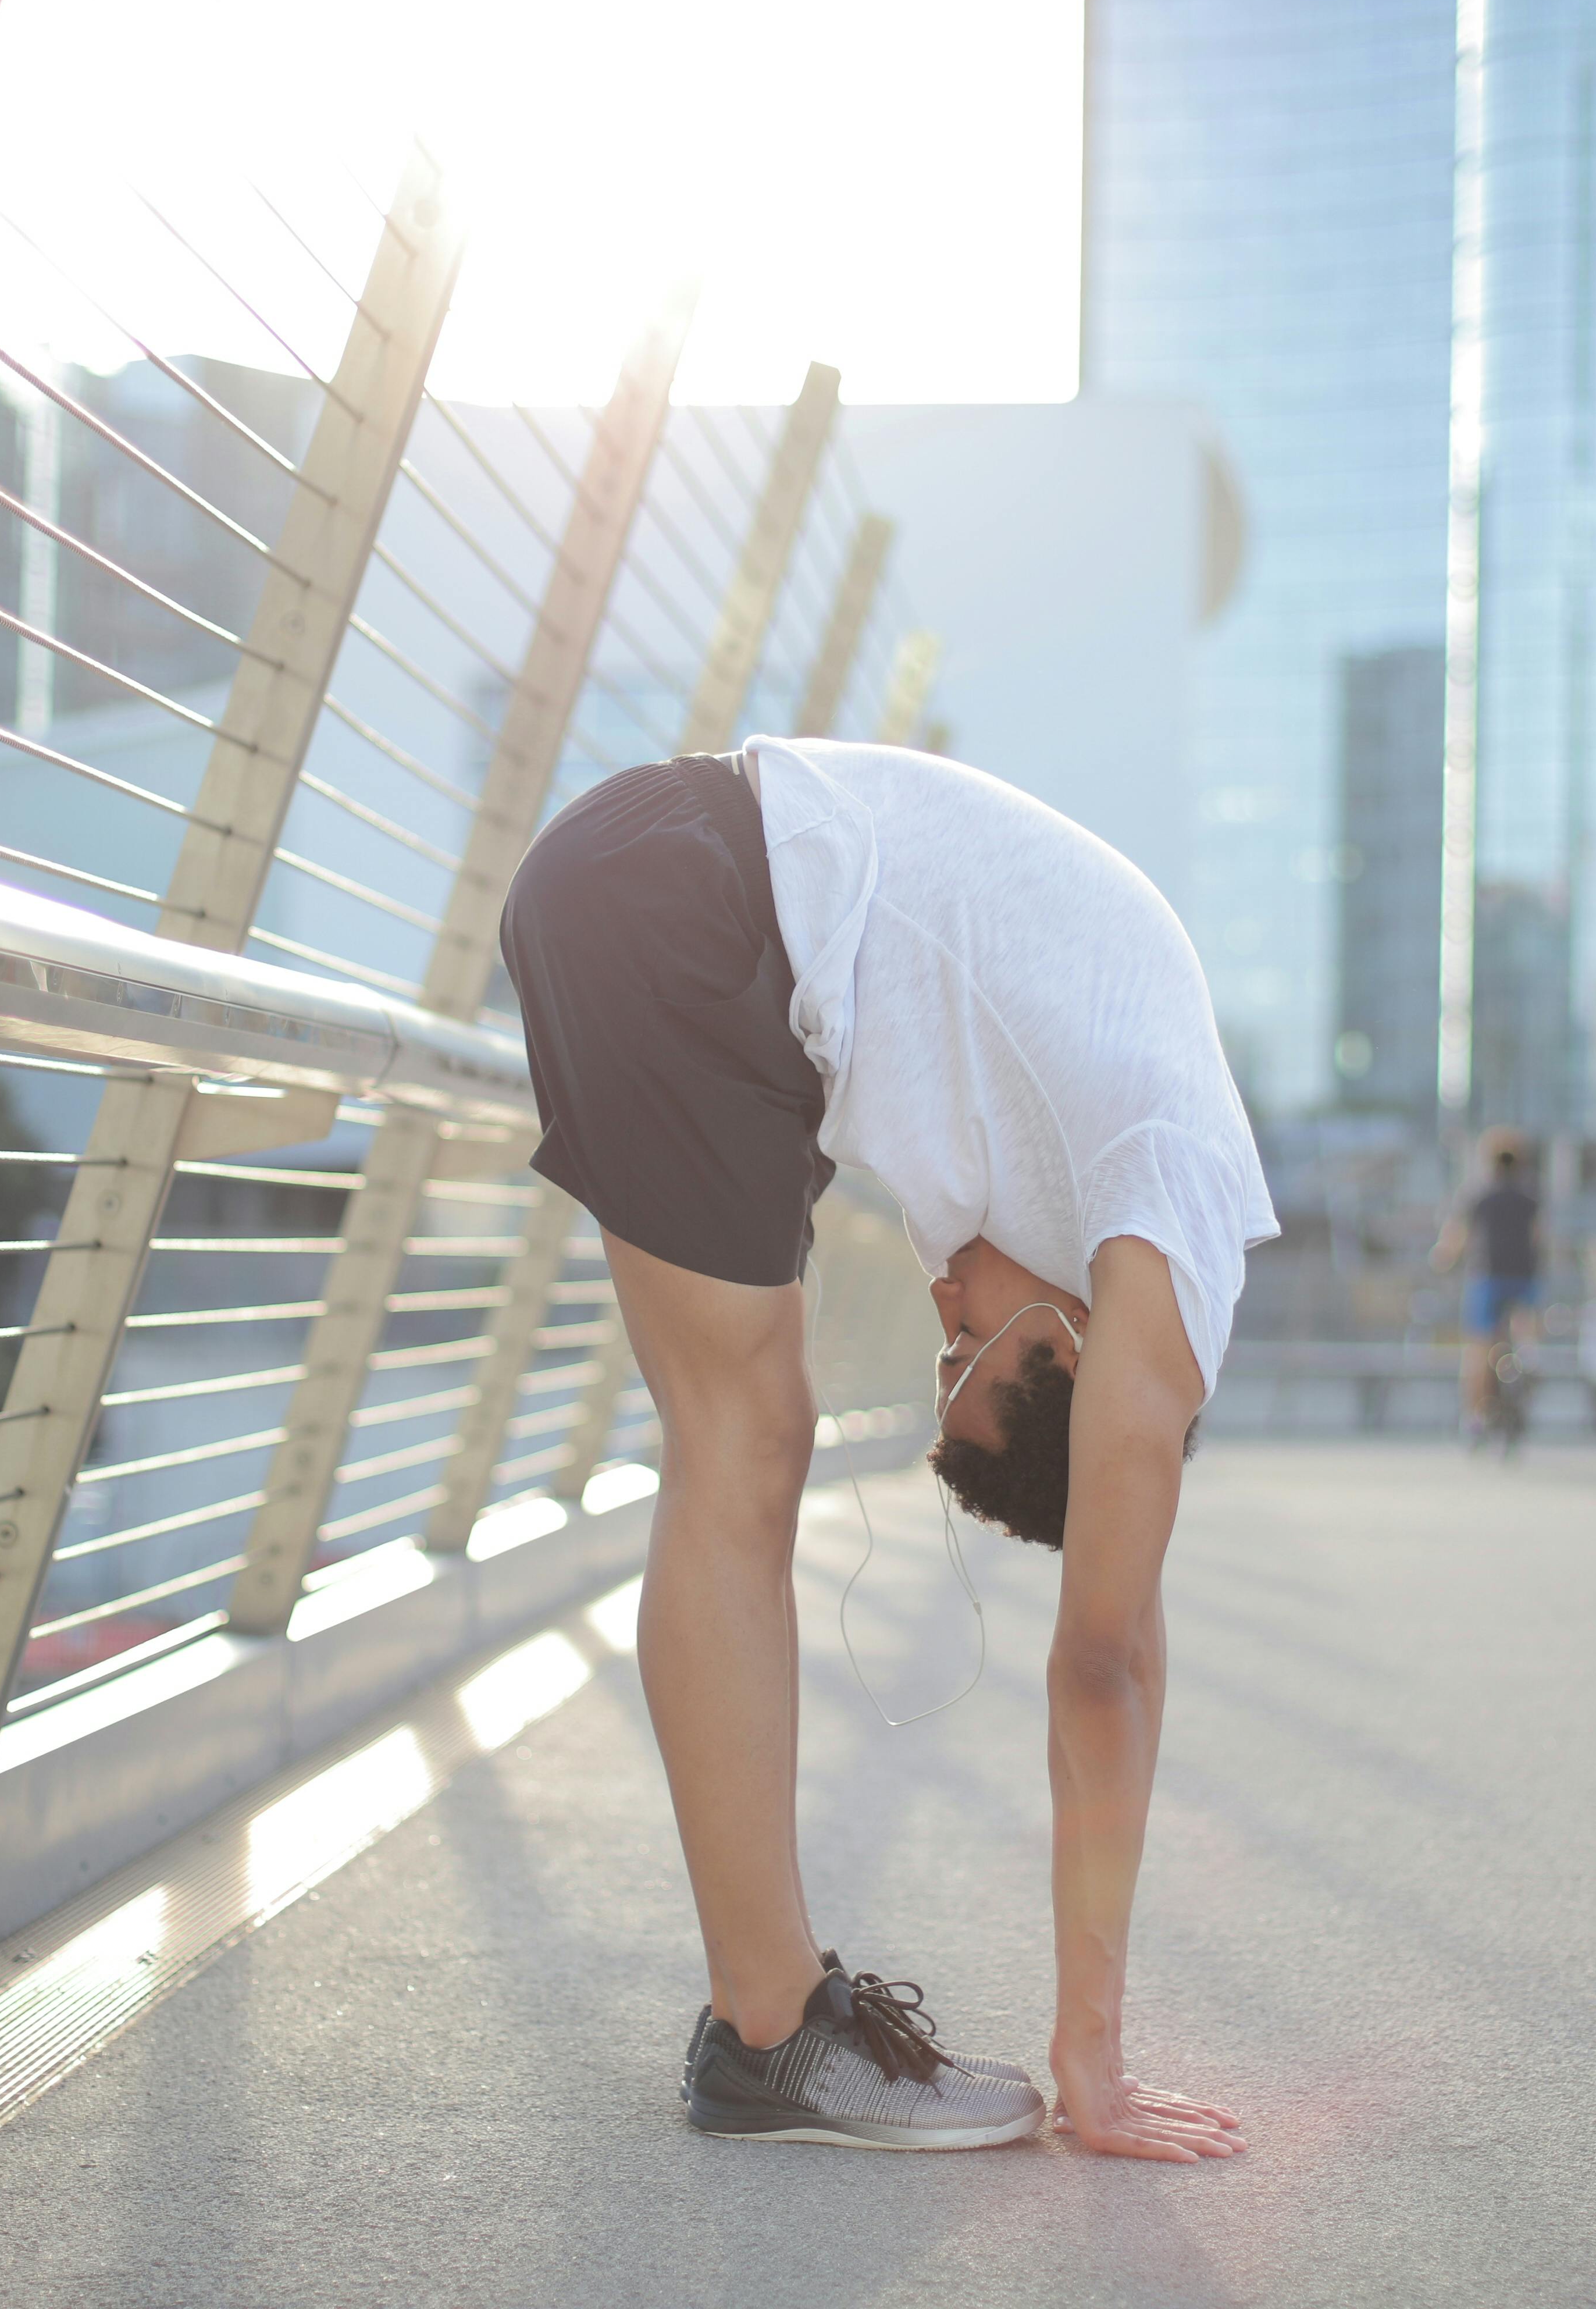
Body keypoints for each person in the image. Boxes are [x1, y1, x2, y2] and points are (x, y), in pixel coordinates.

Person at [497, 735, 1273, 2160]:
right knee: (746, 1434)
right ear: (1074, 1356)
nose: (940, 1297)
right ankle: (771, 2032)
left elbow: (1117, 1619)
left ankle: (768, 2023)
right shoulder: (1165, 1222)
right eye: (962, 1352)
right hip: (692, 894)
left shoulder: (1128, 1207)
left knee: (742, 1432)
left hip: (701, 909)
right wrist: (1088, 2059)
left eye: (945, 1344)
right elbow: (1108, 1654)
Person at [1429, 1133, 1543, 1452]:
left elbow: (1456, 1237)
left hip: (1489, 1277)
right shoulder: (1530, 1196)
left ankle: (1475, 1417)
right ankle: (1529, 1357)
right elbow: (1540, 1237)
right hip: (1525, 1278)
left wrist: (1443, 1259)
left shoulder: (1478, 1195)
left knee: (1479, 1348)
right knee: (1524, 1325)